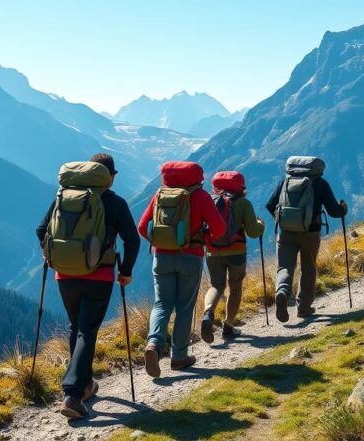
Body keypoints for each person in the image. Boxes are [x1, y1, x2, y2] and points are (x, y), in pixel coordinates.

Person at [35, 153, 140, 421]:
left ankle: (84, 385)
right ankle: (72, 393)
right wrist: (125, 272)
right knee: (87, 331)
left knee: (76, 328)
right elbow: (132, 240)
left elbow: (41, 230)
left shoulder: (64, 197)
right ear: (109, 177)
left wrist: (53, 256)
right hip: (99, 276)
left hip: (65, 276)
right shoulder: (115, 203)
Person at [137, 161, 226, 378]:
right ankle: (178, 356)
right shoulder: (201, 196)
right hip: (191, 256)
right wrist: (203, 238)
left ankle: (154, 344)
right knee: (185, 306)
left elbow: (142, 227)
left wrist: (161, 242)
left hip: (161, 257)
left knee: (162, 303)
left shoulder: (160, 195)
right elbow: (220, 229)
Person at [265, 156, 348, 323]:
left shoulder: (285, 181)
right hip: (310, 233)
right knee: (308, 268)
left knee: (284, 267)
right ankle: (303, 308)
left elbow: (269, 204)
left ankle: (282, 291)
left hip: (286, 232)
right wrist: (343, 209)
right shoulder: (320, 183)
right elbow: (333, 211)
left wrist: (283, 219)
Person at [200, 171, 265, 342]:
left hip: (212, 251)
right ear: (240, 186)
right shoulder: (243, 203)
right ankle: (228, 328)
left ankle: (208, 313)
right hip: (236, 251)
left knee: (216, 286)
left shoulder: (209, 201)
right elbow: (252, 232)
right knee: (235, 287)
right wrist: (260, 225)